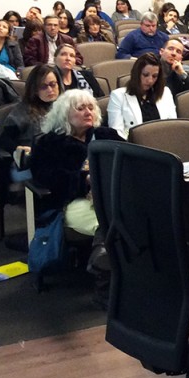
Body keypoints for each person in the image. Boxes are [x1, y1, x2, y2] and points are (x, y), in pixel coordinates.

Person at [29, 90, 123, 305]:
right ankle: (104, 285)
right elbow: (45, 178)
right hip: (70, 203)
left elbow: (131, 160)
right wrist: (85, 179)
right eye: (80, 109)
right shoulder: (49, 144)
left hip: (110, 197)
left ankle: (102, 261)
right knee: (110, 220)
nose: (88, 112)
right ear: (64, 115)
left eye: (91, 107)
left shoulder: (106, 135)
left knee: (125, 215)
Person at [0, 64, 61, 180]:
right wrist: (18, 148)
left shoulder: (64, 106)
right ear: (34, 89)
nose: (50, 90)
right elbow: (4, 140)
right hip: (32, 161)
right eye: (43, 87)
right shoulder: (23, 110)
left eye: (53, 84)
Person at [107, 53, 177, 138]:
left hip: (163, 143)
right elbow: (117, 134)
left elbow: (173, 127)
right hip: (134, 147)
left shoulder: (165, 93)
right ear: (137, 73)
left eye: (154, 76)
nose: (150, 80)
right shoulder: (118, 96)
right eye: (145, 75)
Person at [160, 36, 189, 101]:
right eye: (170, 49)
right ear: (161, 52)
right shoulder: (151, 69)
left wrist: (182, 73)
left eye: (178, 51)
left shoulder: (183, 72)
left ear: (181, 58)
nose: (173, 53)